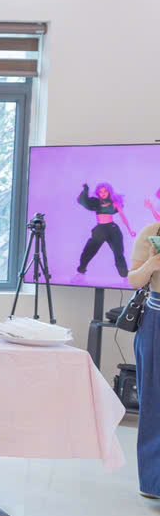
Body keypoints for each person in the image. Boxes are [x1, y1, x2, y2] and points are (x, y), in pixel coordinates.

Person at [128, 224, 160, 499]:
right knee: (154, 402)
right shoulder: (152, 233)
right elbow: (135, 280)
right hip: (156, 322)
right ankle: (154, 483)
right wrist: (151, 264)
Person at [75, 182, 136, 279]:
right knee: (88, 251)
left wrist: (130, 230)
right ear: (98, 193)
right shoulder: (96, 202)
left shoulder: (115, 203)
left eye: (105, 191)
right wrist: (86, 189)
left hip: (113, 230)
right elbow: (84, 201)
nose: (103, 193)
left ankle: (125, 276)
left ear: (109, 192)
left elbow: (123, 217)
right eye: (101, 192)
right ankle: (81, 273)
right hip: (100, 230)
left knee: (118, 253)